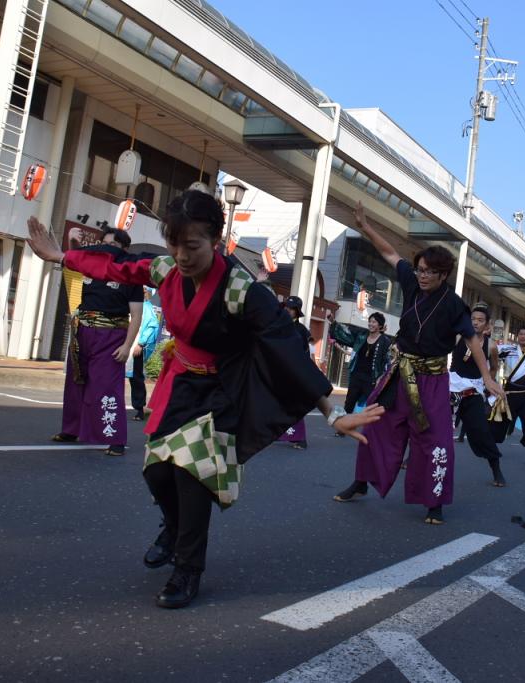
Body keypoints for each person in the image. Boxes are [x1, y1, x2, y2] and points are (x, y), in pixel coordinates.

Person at [25, 190, 382, 609]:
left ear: (216, 238)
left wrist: (332, 411)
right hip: (182, 383)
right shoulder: (164, 269)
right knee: (157, 472)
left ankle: (187, 570)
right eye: (174, 244)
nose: (180, 255)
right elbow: (117, 266)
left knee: (191, 477)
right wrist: (59, 257)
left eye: (191, 246)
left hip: (224, 390)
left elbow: (287, 347)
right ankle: (173, 531)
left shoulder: (240, 290)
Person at [332, 202, 503, 525]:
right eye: (420, 269)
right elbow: (390, 254)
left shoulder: (455, 306)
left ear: (444, 274)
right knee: (376, 423)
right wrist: (366, 227)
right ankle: (362, 482)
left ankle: (434, 502)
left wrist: (487, 377)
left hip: (433, 380)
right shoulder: (411, 284)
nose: (422, 275)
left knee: (435, 441)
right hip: (399, 373)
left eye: (429, 272)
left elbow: (472, 343)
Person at [53, 226, 143, 457]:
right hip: (82, 331)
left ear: (124, 249)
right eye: (104, 244)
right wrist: (72, 242)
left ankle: (115, 438)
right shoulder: (92, 267)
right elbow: (76, 260)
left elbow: (137, 315)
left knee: (106, 387)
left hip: (111, 337)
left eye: (113, 246)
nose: (107, 249)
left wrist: (127, 345)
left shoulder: (131, 276)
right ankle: (71, 430)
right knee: (75, 381)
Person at [448, 302, 505, 486]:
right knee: (432, 425)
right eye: (473, 319)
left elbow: (494, 367)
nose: (475, 323)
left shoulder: (491, 346)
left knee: (481, 432)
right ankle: (413, 458)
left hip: (473, 391)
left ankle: (496, 470)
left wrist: (489, 383)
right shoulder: (458, 337)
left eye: (480, 320)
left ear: (487, 325)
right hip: (450, 388)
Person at [491, 323, 525, 466]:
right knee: (500, 422)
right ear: (517, 336)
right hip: (509, 393)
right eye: (520, 334)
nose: (522, 337)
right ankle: (491, 450)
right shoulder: (507, 349)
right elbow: (490, 352)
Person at [329, 310, 391, 415]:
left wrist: (380, 379)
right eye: (370, 321)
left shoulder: (385, 341)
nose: (370, 324)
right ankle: (344, 428)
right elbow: (346, 334)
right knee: (349, 403)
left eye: (374, 322)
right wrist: (333, 322)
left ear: (380, 325)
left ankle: (369, 430)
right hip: (356, 375)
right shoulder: (361, 335)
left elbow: (386, 363)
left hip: (371, 379)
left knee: (371, 405)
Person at [278, 296, 311, 450]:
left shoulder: (302, 331)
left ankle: (299, 438)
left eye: (291, 309)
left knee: (294, 405)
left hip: (294, 371)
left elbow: (304, 353)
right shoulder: (276, 325)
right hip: (277, 369)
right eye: (286, 307)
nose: (287, 310)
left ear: (297, 312)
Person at [128, 287, 161, 422]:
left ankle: (140, 409)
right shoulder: (130, 304)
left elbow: (152, 325)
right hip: (126, 344)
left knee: (136, 378)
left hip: (136, 346)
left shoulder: (146, 307)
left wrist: (141, 343)